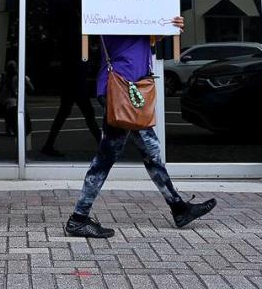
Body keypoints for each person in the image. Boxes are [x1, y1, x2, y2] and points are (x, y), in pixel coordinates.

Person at [64, 17, 217, 238]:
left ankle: (179, 208)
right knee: (110, 155)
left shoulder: (136, 16)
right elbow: (132, 30)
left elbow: (148, 39)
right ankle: (78, 218)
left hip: (128, 89)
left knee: (148, 151)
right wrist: (160, 20)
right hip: (121, 90)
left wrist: (169, 26)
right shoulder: (117, 11)